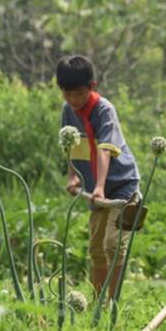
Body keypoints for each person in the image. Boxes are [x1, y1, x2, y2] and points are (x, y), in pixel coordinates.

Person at [57, 55, 140, 298]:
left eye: (79, 94)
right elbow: (72, 144)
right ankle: (97, 305)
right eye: (67, 94)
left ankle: (113, 303)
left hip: (122, 187)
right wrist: (73, 176)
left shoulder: (104, 110)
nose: (73, 100)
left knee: (113, 245)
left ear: (92, 87)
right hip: (95, 188)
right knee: (96, 248)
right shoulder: (68, 111)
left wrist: (101, 187)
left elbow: (105, 149)